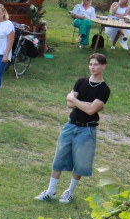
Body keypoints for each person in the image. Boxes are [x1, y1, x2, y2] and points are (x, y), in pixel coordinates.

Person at [35, 53, 109, 204]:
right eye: (90, 64)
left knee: (81, 163)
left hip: (87, 129)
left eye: (96, 64)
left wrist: (76, 100)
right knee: (59, 158)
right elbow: (71, 106)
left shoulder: (104, 89)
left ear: (103, 66)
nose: (92, 67)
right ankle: (50, 191)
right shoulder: (81, 82)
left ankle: (69, 192)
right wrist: (90, 105)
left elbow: (88, 110)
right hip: (71, 125)